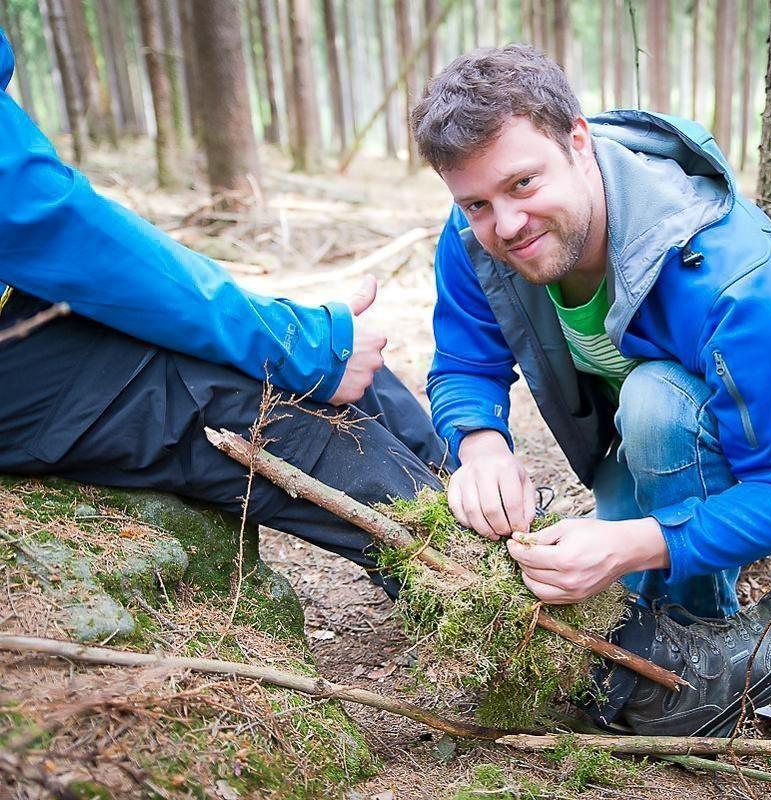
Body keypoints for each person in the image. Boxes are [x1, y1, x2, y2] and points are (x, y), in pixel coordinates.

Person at [410, 45, 771, 735]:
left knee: (656, 413)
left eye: (523, 184)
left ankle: (709, 652)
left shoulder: (723, 270)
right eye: (477, 203)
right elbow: (463, 361)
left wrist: (630, 543)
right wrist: (480, 446)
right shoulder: (477, 235)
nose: (505, 224)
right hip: (633, 408)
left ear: (577, 141)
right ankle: (663, 609)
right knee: (617, 591)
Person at [0, 26, 447, 597]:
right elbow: (56, 229)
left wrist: (306, 341)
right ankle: (500, 605)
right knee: (268, 410)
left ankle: (486, 514)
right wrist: (301, 346)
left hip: (25, 310)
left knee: (361, 380)